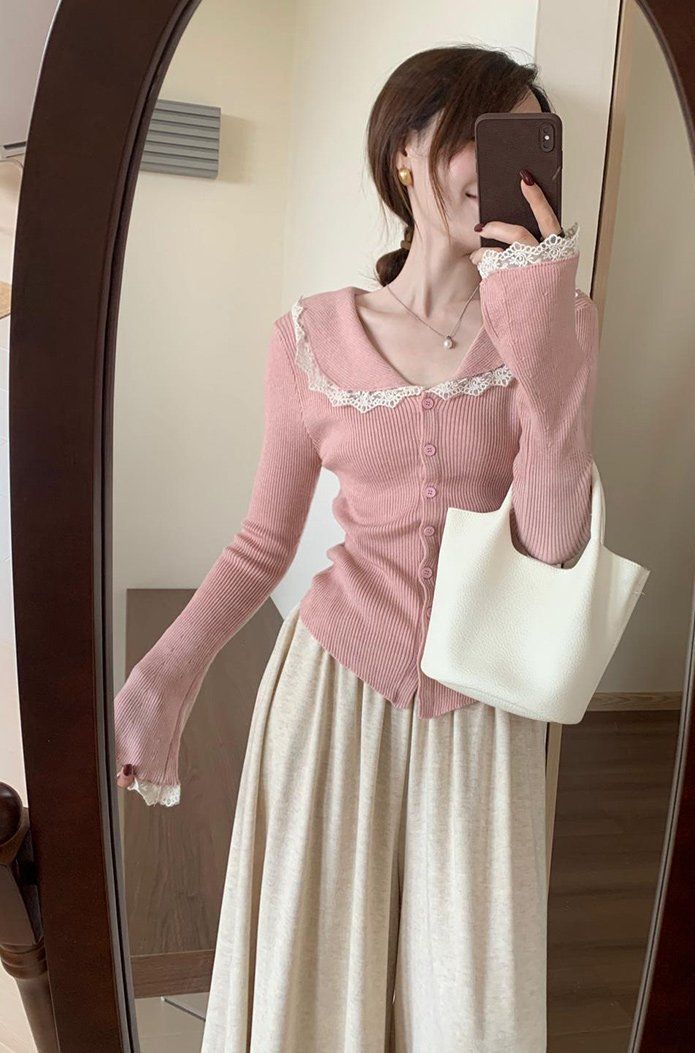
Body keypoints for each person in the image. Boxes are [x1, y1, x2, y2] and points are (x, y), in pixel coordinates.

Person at [114, 44, 599, 1052]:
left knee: (471, 999)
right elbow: (263, 541)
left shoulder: (560, 326)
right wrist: (165, 675)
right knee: (314, 977)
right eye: (480, 133)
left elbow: (552, 547)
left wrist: (541, 333)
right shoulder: (306, 338)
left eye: (525, 140)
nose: (503, 165)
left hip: (484, 707)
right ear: (406, 152)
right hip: (332, 690)